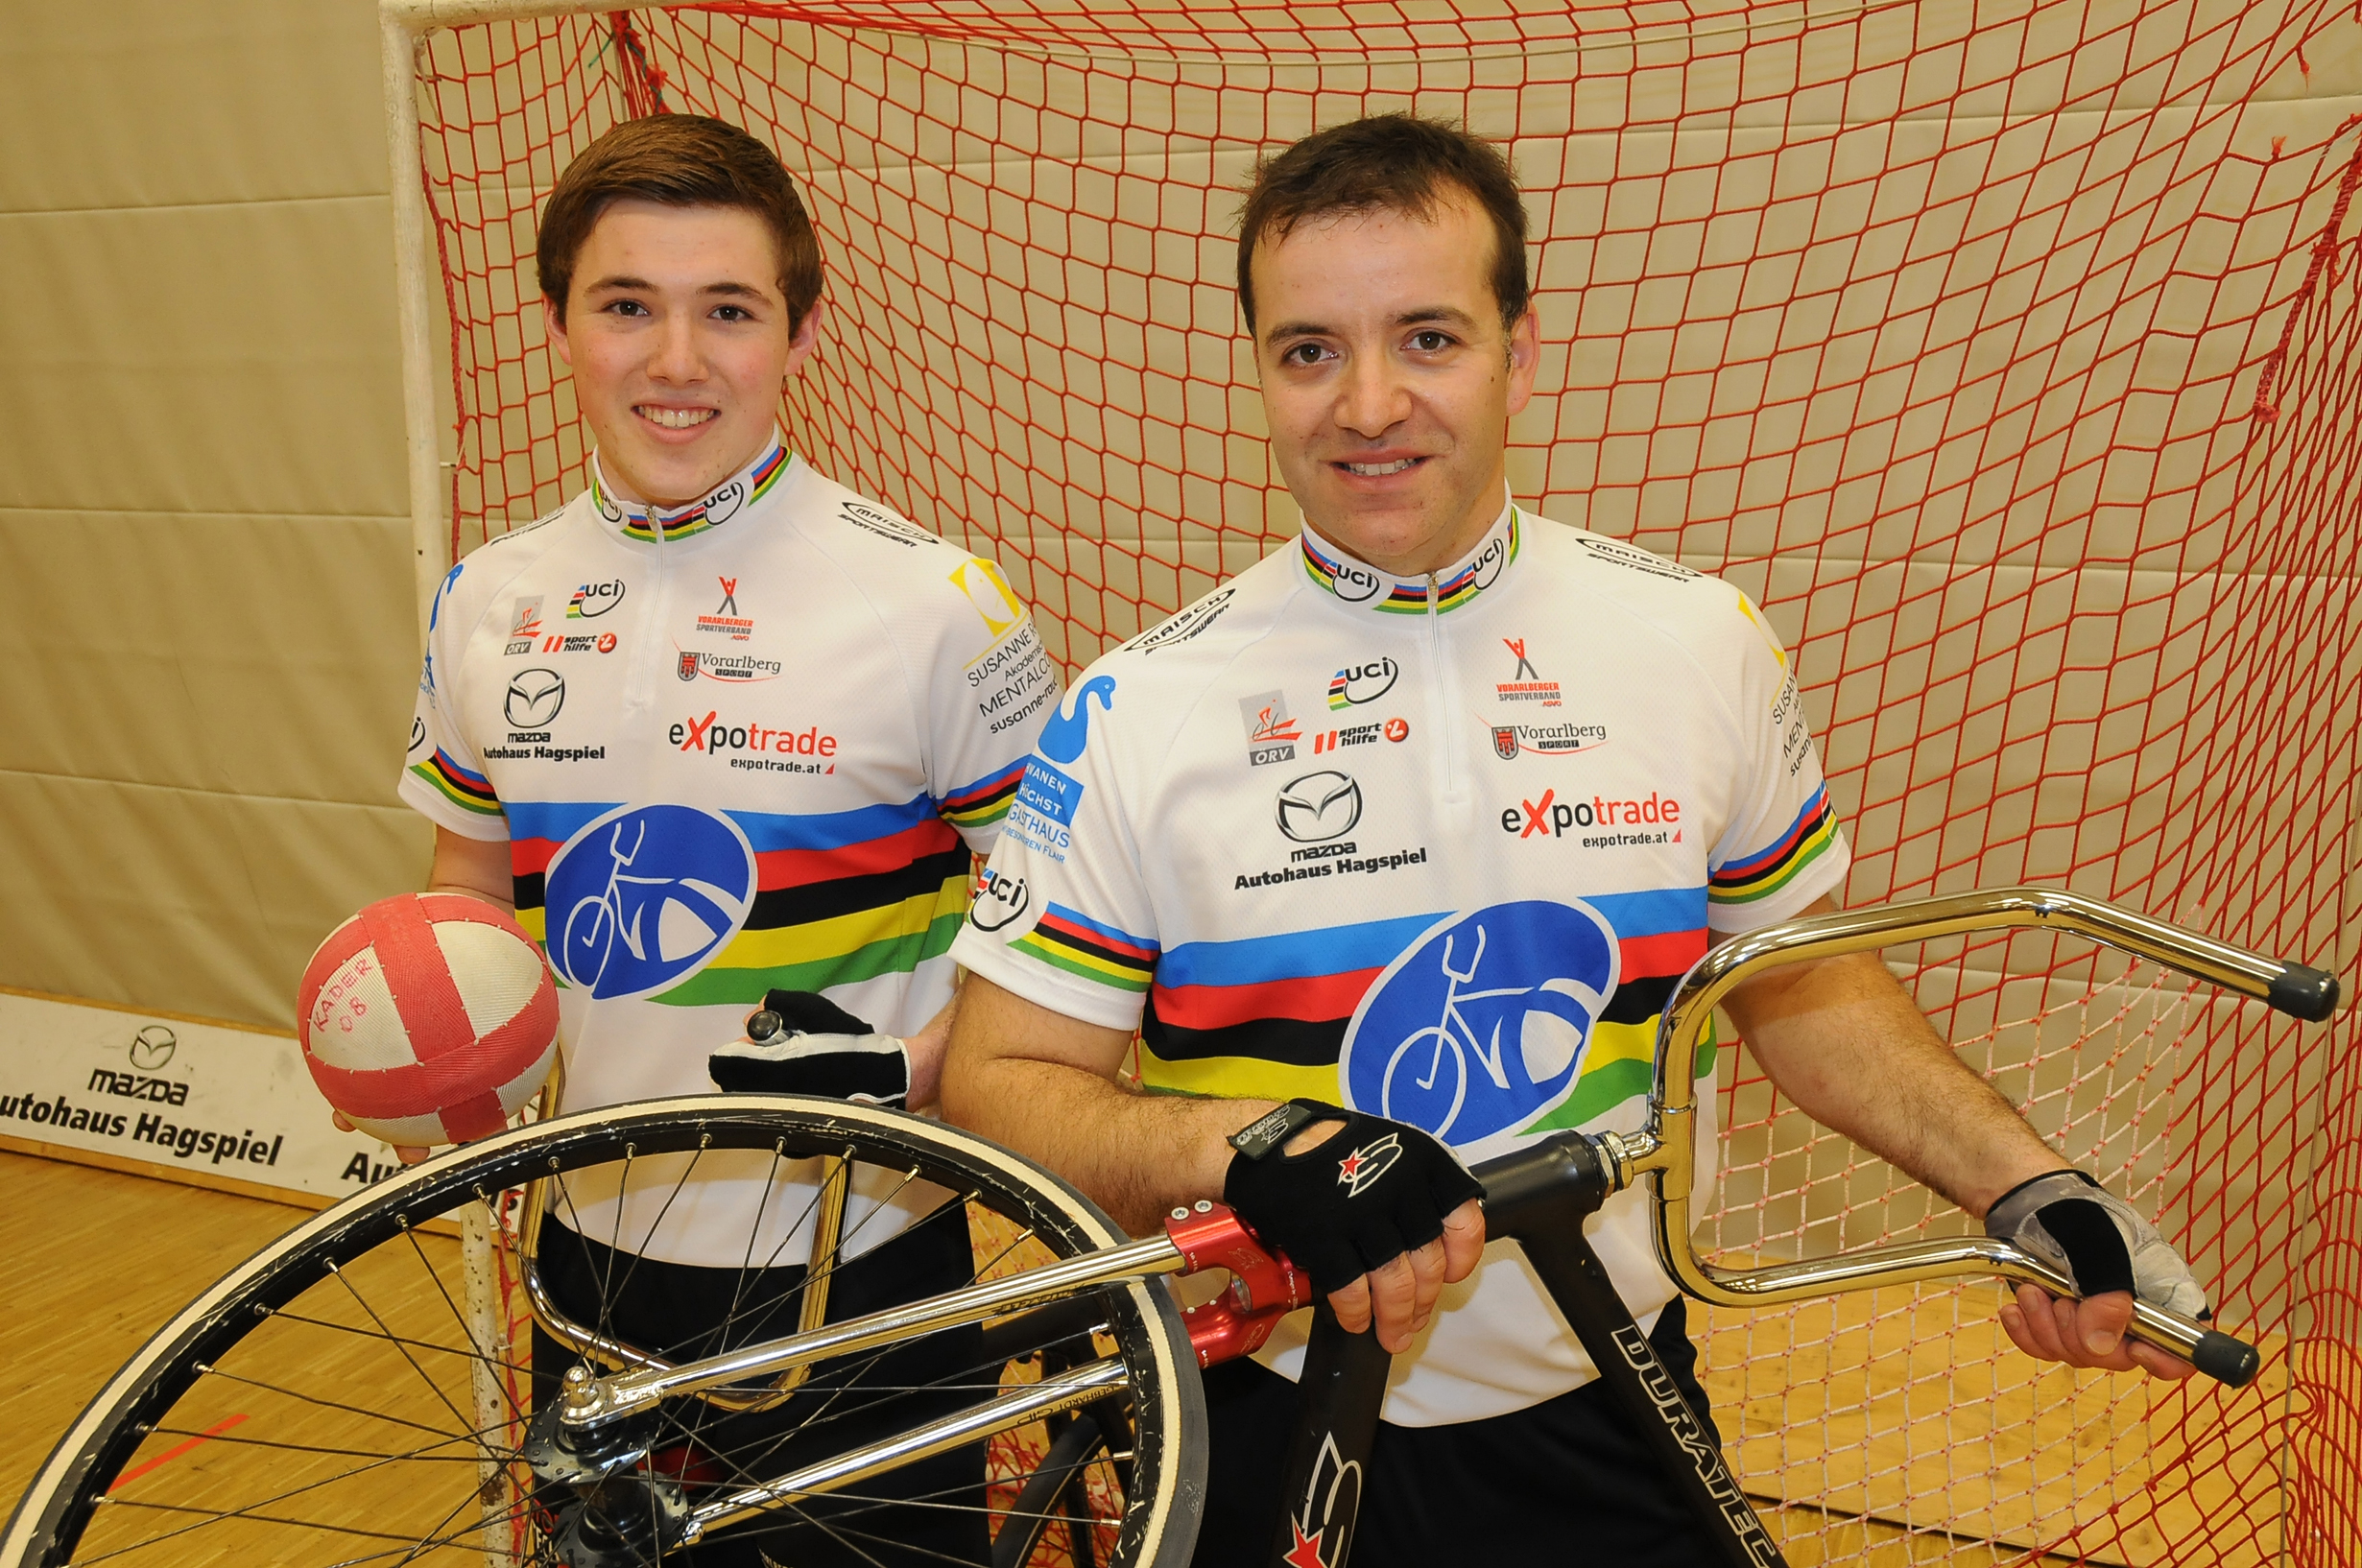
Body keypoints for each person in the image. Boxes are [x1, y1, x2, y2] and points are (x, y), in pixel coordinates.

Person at [942, 113, 2209, 1566]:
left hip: (1609, 1392)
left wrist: (2023, 1185)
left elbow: (1798, 988)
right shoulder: (1137, 705)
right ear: (1259, 373)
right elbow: (999, 1082)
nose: (1367, 404)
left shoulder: (1695, 641)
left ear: (1518, 349)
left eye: (1426, 338)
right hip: (1261, 1408)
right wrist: (1243, 1146)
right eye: (1309, 351)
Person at [394, 113, 1060, 1565]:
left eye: (730, 311)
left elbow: (1066, 940)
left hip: (868, 1269)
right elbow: (471, 887)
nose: (677, 361)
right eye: (628, 305)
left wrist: (923, 1069)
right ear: (559, 323)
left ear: (801, 332)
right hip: (583, 1260)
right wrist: (424, 1042)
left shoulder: (937, 604)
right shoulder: (486, 599)